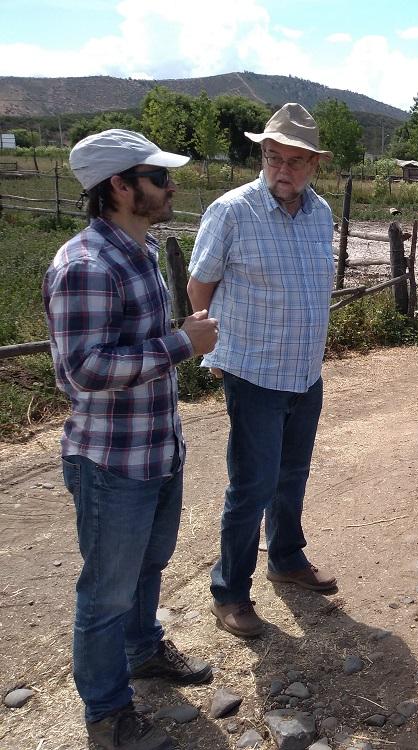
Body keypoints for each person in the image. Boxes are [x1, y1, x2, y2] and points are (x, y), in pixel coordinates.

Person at [44, 129, 219, 750]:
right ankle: (108, 713)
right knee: (106, 589)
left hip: (155, 447)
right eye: (158, 177)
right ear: (119, 186)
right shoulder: (87, 266)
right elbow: (83, 371)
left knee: (150, 563)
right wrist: (181, 344)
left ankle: (143, 651)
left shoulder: (140, 253)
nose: (172, 187)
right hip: (112, 461)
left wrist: (178, 339)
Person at [187, 103, 337, 639]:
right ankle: (230, 591)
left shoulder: (321, 214)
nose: (283, 170)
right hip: (253, 372)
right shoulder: (232, 211)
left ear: (315, 165)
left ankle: (287, 558)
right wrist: (219, 351)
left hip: (304, 371)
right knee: (251, 485)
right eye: (274, 157)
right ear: (263, 157)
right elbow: (199, 287)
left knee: (292, 475)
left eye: (296, 161)